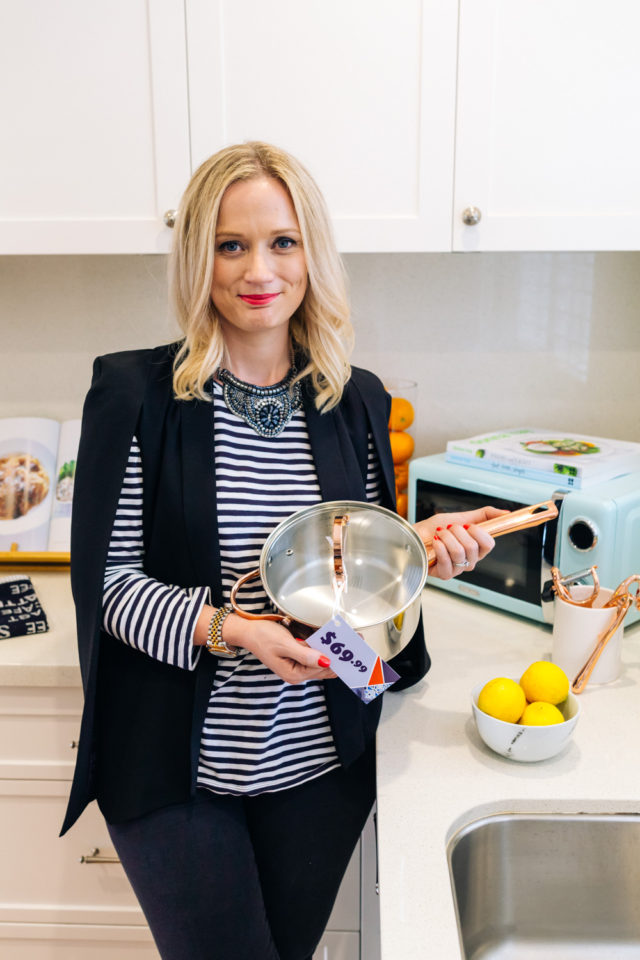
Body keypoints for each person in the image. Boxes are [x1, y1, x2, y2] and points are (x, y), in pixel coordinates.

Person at [61, 141, 504, 960]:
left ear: (312, 253)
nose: (257, 269)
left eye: (282, 242)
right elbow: (110, 586)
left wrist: (420, 563)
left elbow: (359, 590)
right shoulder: (136, 396)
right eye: (231, 244)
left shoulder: (355, 399)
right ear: (199, 255)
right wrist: (233, 628)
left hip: (320, 767)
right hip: (175, 770)